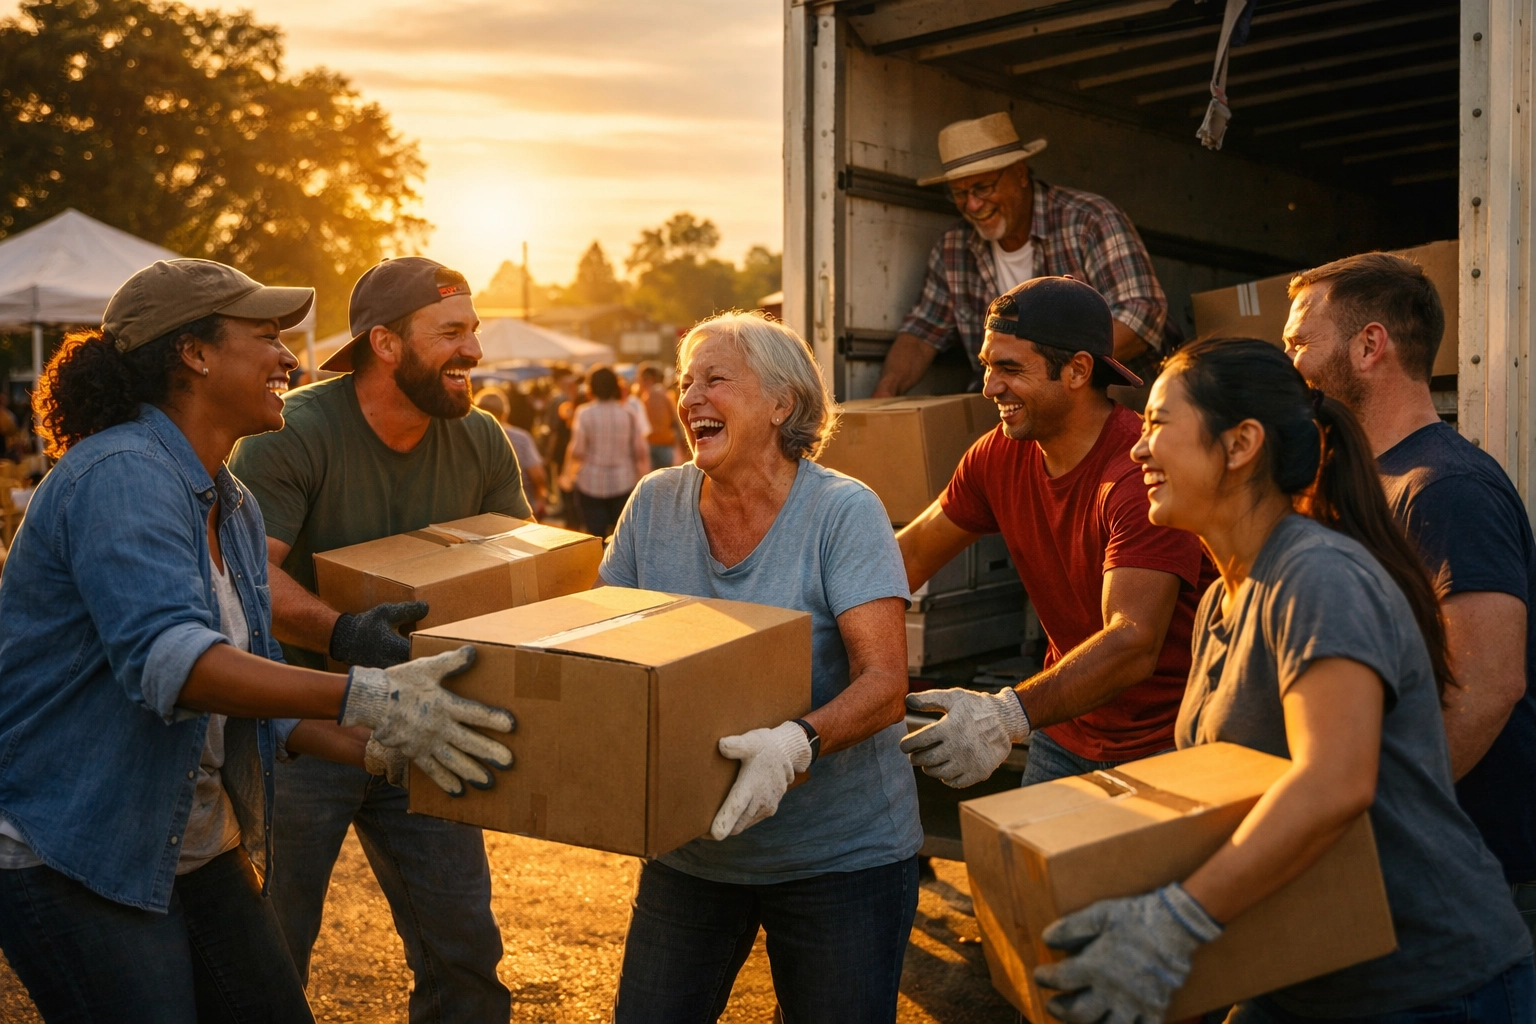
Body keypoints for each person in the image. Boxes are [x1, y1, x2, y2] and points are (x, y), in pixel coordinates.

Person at [0, 259, 512, 1022]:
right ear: (195, 353)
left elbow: (256, 696)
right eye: (267, 337)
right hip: (79, 852)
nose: (290, 359)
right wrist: (363, 689)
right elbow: (178, 667)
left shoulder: (229, 501)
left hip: (194, 845)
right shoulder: (121, 474)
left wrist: (381, 746)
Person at [1032, 335, 1534, 1023]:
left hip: (1428, 985)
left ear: (1239, 445)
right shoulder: (1220, 598)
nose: (1138, 451)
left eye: (1156, 425)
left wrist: (1176, 922)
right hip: (1305, 968)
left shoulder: (1318, 576)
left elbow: (1333, 783)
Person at [229, 256, 530, 1022]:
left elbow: (519, 576)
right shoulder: (291, 432)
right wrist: (343, 633)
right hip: (301, 726)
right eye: (452, 333)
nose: (474, 352)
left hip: (426, 722)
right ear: (386, 345)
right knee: (268, 951)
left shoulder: (483, 440)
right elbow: (246, 575)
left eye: (474, 331)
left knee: (464, 951)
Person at [604, 312, 920, 1022]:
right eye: (685, 382)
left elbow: (884, 684)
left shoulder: (842, 511)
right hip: (693, 855)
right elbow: (608, 649)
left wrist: (794, 743)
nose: (689, 398)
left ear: (783, 403)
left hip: (841, 859)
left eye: (715, 379)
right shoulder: (654, 504)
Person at [1284, 251, 1536, 939]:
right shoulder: (1367, 483)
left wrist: (1368, 809)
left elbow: (1487, 687)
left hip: (1479, 865)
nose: (1291, 365)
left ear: (1370, 346)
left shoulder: (1445, 488)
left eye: (1300, 343)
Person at [898, 277, 1213, 788]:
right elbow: (905, 558)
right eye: (987, 365)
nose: (989, 387)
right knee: (1023, 870)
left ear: (1077, 370)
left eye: (1010, 369)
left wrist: (1005, 716)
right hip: (1062, 736)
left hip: (1164, 744)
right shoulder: (998, 454)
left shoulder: (1137, 472)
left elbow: (1133, 641)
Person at [873, 112, 1167, 398]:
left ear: (1020, 173)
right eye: (959, 193)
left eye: (983, 187)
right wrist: (886, 393)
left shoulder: (1089, 220)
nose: (973, 205)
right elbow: (922, 331)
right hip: (1007, 409)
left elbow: (1143, 312)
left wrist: (1055, 370)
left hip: (1106, 403)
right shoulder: (953, 247)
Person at [558, 364, 649, 538]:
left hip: (590, 484)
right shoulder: (628, 414)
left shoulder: (584, 413)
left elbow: (578, 451)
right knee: (622, 537)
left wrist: (567, 475)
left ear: (591, 388)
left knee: (595, 536)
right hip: (624, 482)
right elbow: (640, 452)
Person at [476, 386, 548, 518]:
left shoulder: (470, 437)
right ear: (505, 413)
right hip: (520, 509)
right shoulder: (521, 438)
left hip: (480, 514)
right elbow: (537, 475)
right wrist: (540, 499)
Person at [637, 360, 679, 469]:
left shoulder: (644, 397)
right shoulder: (666, 395)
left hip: (650, 444)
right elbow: (675, 419)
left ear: (648, 378)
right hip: (666, 442)